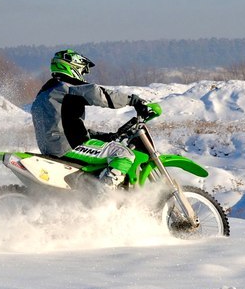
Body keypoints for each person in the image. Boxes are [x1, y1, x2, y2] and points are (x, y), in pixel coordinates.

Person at [31, 49, 159, 189]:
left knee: (110, 150)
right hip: (68, 147)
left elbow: (65, 125)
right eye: (83, 70)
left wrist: (104, 136)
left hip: (53, 147)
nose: (84, 75)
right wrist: (134, 101)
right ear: (72, 65)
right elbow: (100, 95)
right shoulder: (68, 87)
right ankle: (103, 196)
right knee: (123, 153)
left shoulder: (45, 92)